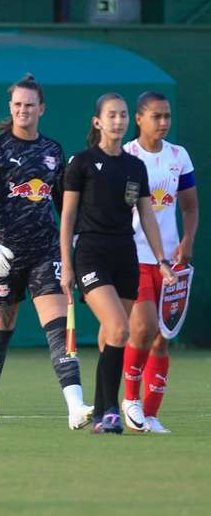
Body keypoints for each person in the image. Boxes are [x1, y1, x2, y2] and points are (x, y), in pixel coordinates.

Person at [0, 74, 94, 430]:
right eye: (17, 105)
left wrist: (71, 243)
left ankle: (75, 405)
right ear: (11, 108)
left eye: (29, 105)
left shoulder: (53, 150)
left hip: (45, 251)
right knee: (0, 328)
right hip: (4, 254)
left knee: (58, 328)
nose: (23, 110)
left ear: (41, 109)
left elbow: (62, 204)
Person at [60, 93, 175, 434]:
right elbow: (67, 216)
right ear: (97, 122)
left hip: (126, 255)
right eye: (111, 115)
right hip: (91, 254)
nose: (118, 121)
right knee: (121, 329)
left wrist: (162, 260)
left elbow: (147, 216)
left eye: (123, 115)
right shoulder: (81, 163)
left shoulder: (134, 166)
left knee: (113, 334)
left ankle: (99, 415)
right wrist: (66, 265)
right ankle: (112, 409)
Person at [121, 92, 196, 433]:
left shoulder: (179, 156)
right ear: (139, 118)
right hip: (134, 256)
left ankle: (150, 416)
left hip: (168, 261)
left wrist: (187, 242)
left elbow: (190, 207)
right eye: (156, 116)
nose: (163, 122)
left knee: (162, 338)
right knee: (143, 328)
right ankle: (131, 402)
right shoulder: (127, 156)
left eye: (167, 116)